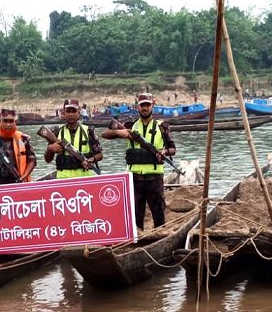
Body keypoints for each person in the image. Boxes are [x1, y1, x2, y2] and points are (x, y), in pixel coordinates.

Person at [102, 92, 177, 230]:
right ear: (138, 107)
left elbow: (172, 149)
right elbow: (105, 134)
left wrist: (164, 152)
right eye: (142, 105)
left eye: (147, 105)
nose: (145, 108)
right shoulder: (130, 126)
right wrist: (119, 133)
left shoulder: (162, 126)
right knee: (136, 217)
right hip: (135, 178)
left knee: (159, 215)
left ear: (152, 106)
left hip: (154, 178)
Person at [44, 98, 103, 179]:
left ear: (78, 113)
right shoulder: (56, 132)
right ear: (63, 113)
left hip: (84, 179)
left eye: (73, 111)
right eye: (68, 111)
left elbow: (100, 155)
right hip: (63, 180)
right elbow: (47, 160)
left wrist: (90, 160)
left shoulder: (89, 131)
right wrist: (50, 149)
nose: (71, 114)